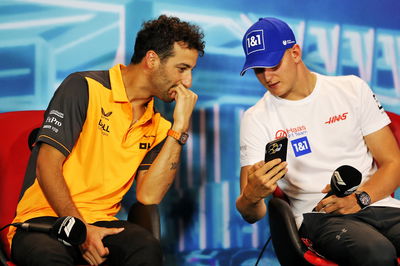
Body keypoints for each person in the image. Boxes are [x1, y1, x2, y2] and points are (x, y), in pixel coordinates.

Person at [7, 15, 205, 266]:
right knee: (49, 258)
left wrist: (179, 129)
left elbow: (149, 196)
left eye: (190, 71)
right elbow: (47, 165)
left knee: (146, 248)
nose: (188, 82)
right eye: (182, 68)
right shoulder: (84, 87)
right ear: (152, 59)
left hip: (103, 223)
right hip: (45, 220)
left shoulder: (161, 126)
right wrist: (81, 231)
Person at [236, 17, 400, 265]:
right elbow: (251, 214)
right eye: (259, 69)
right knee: (377, 253)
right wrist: (252, 196)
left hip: (376, 203)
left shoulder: (352, 89)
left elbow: (393, 162)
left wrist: (359, 199)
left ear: (295, 53)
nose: (267, 77)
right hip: (318, 217)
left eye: (273, 64)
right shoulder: (256, 118)